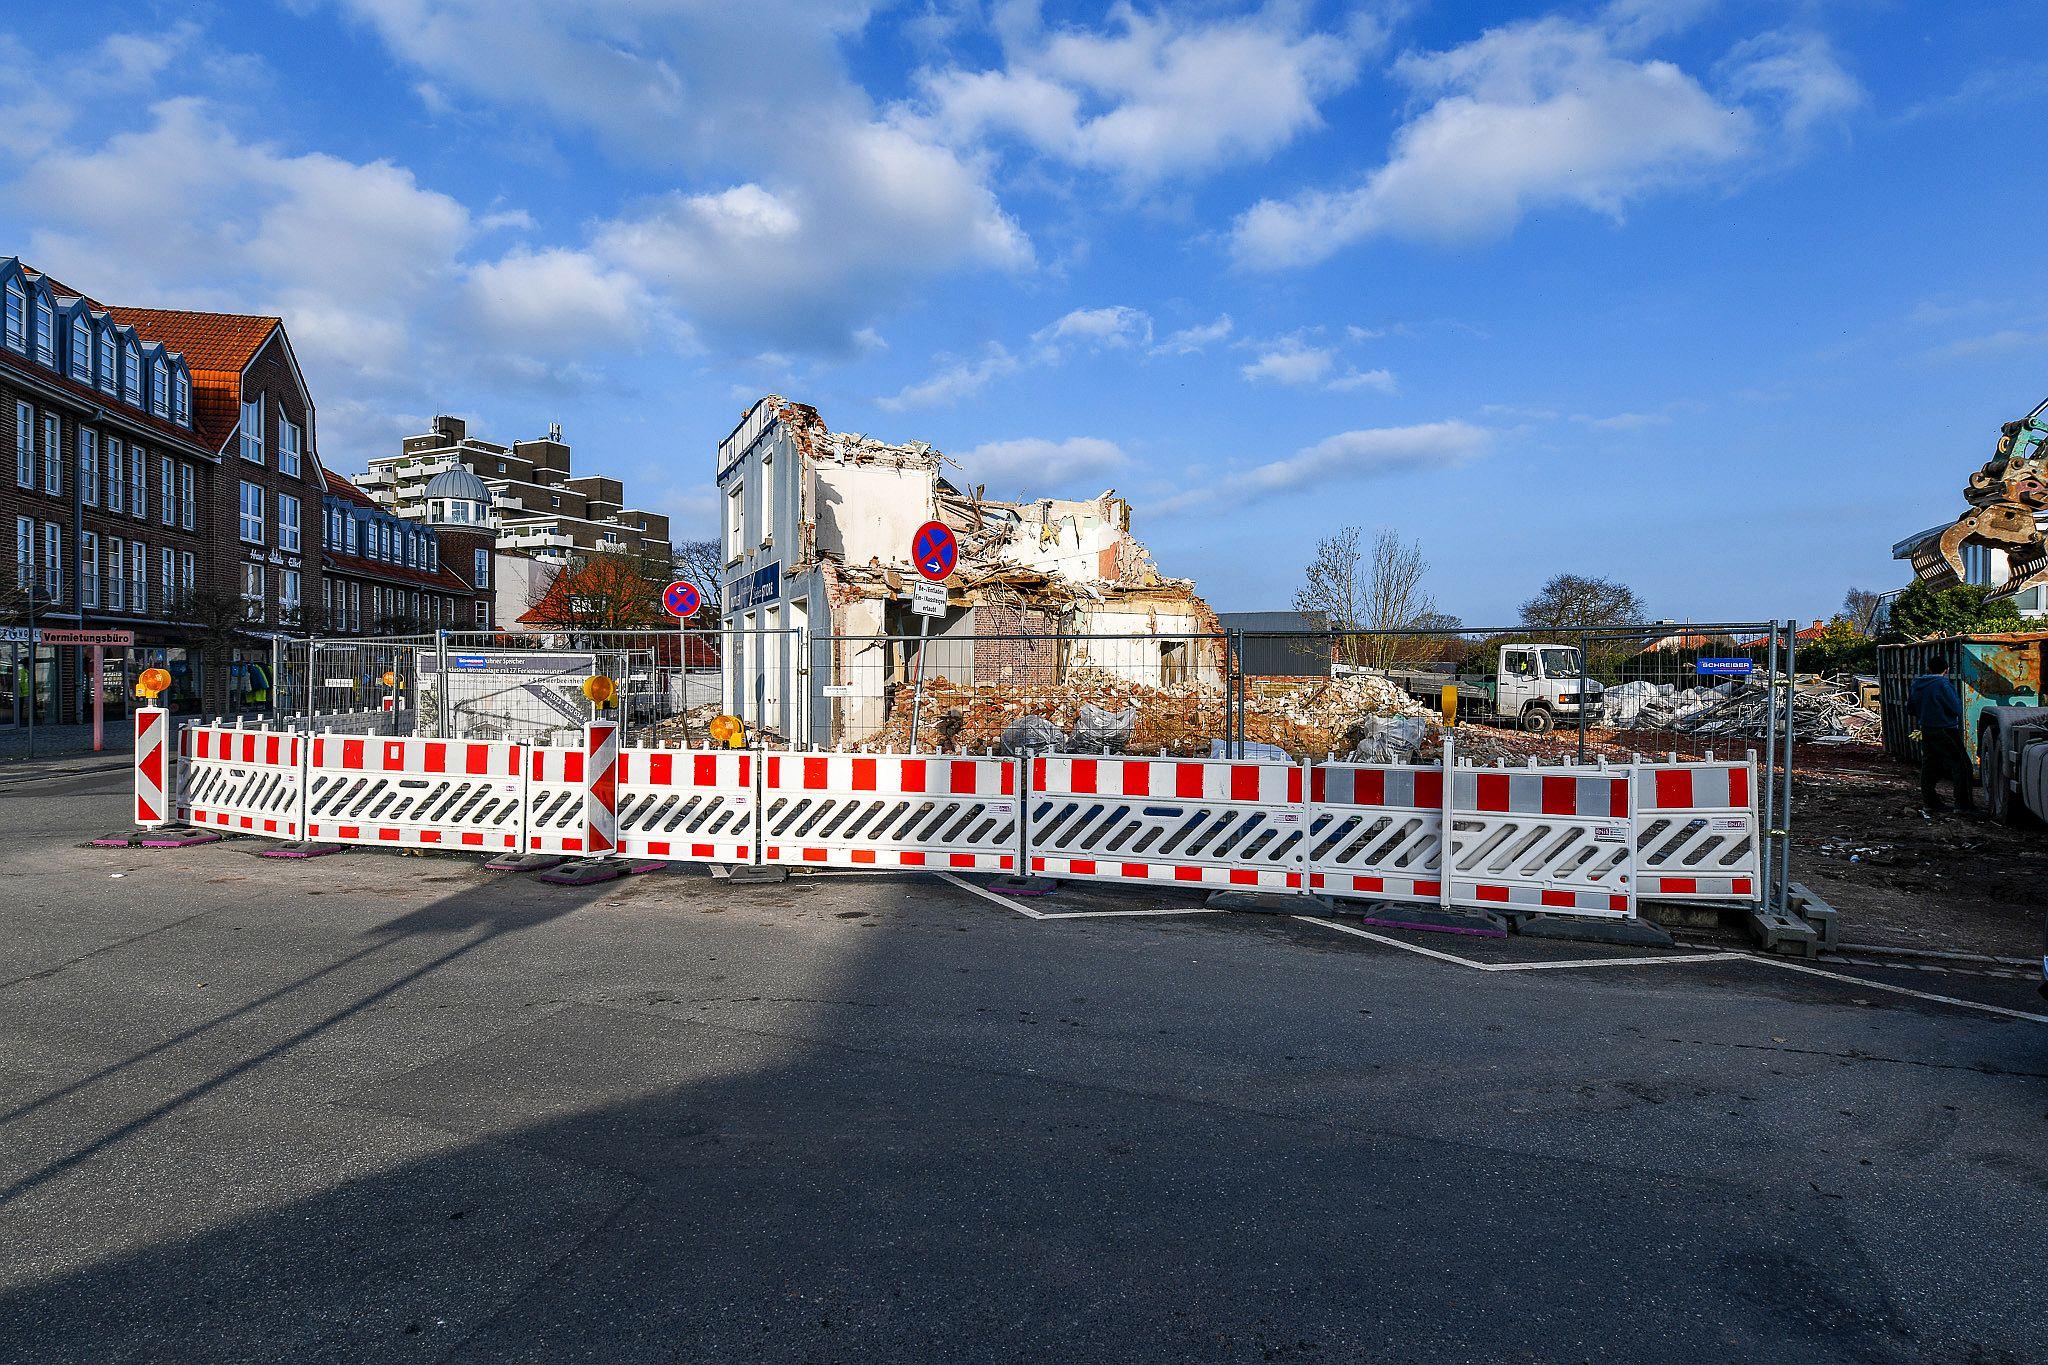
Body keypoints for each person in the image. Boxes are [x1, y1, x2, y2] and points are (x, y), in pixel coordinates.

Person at [1908, 658, 1975, 814]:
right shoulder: (1943, 684)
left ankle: (1930, 802)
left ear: (1929, 668)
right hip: (1946, 729)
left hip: (1926, 728)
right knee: (1961, 766)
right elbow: (1956, 708)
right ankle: (1962, 805)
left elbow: (1910, 708)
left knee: (1929, 766)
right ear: (1947, 669)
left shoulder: (1917, 684)